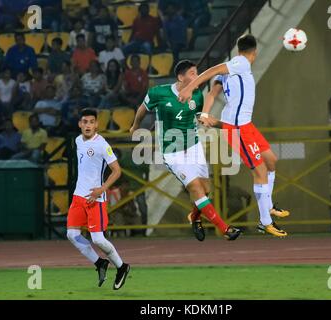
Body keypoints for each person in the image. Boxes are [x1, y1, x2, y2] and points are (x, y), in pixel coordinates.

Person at [178, 34, 290, 237]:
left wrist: (204, 113)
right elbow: (213, 71)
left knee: (271, 160)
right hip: (238, 129)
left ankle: (269, 206)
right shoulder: (241, 63)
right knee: (260, 172)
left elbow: (212, 94)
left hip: (246, 125)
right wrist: (189, 87)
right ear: (254, 53)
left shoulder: (232, 69)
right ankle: (265, 221)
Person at [130, 60, 241, 241]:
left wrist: (222, 125)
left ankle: (195, 217)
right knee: (195, 187)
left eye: (197, 73)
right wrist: (135, 126)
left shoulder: (197, 95)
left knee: (206, 190)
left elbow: (199, 117)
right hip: (172, 151)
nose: (197, 77)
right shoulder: (159, 93)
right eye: (192, 73)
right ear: (181, 77)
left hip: (194, 146)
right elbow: (143, 108)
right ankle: (225, 229)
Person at [66, 108, 130, 290]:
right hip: (78, 197)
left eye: (91, 122)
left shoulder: (102, 144)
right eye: (84, 122)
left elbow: (117, 171)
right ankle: (100, 263)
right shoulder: (77, 140)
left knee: (98, 240)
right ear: (80, 124)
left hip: (96, 199)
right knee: (72, 235)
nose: (88, 125)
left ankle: (121, 266)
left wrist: (101, 189)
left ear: (97, 124)